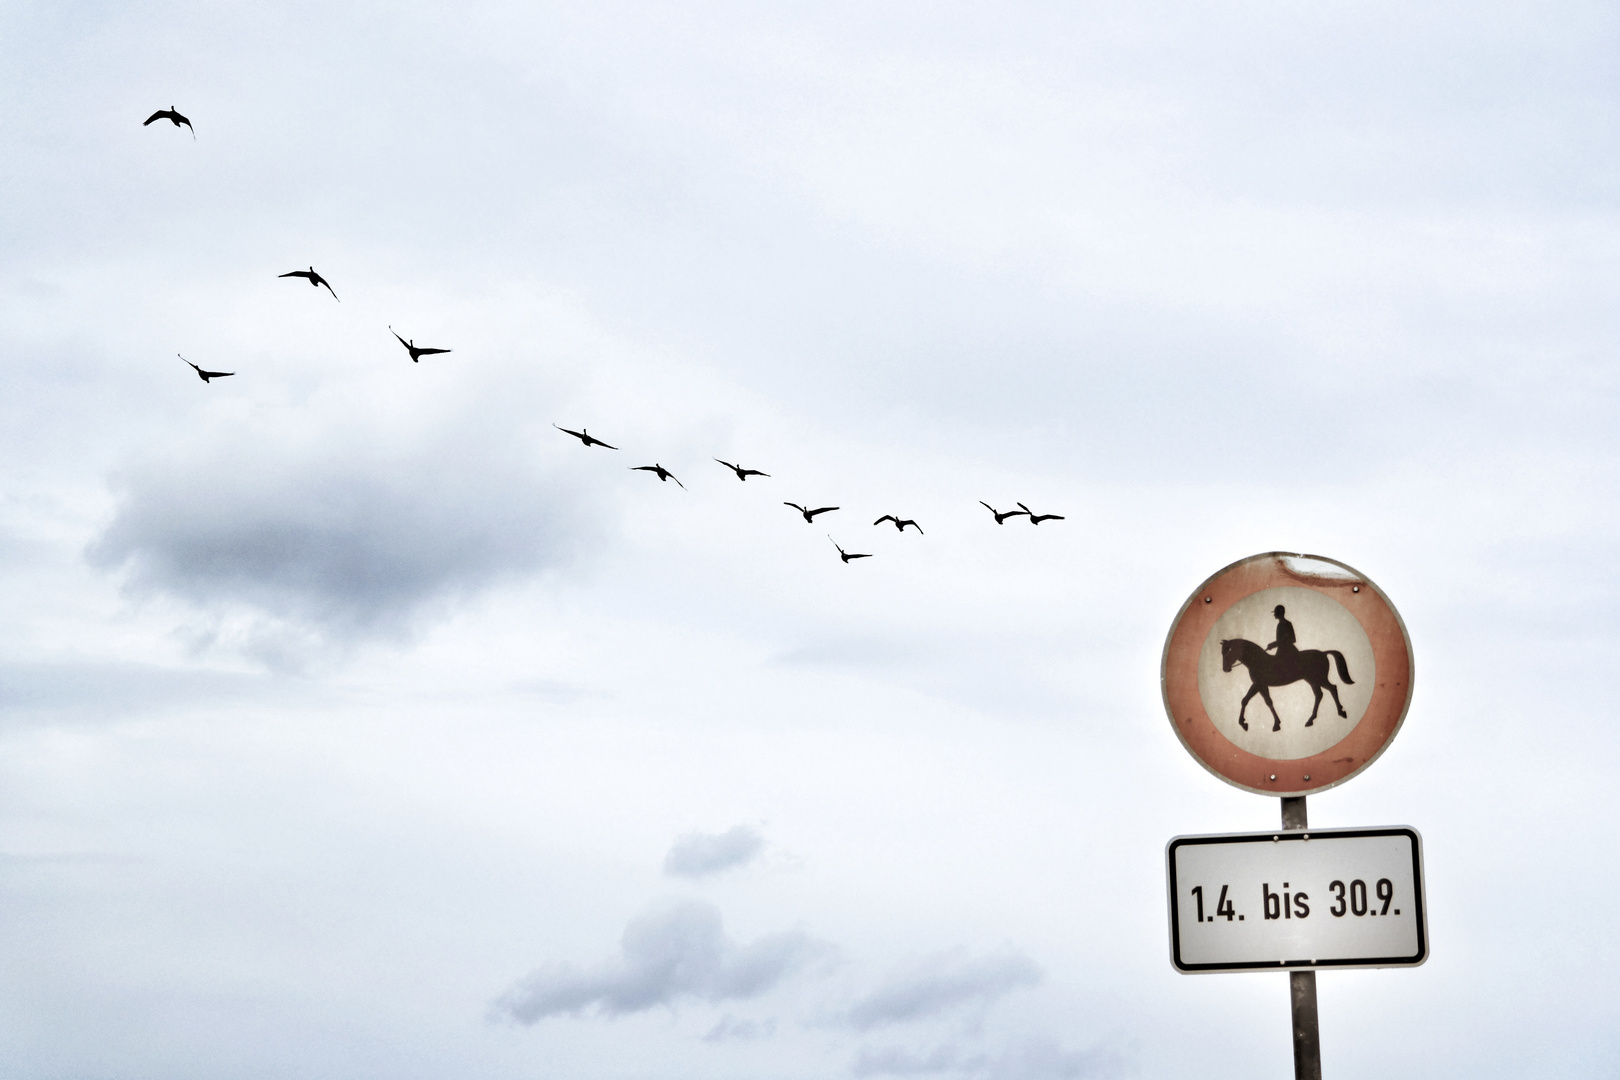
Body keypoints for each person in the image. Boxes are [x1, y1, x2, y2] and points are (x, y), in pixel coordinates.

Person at [1266, 604, 1300, 676]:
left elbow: (1293, 639)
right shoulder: (1279, 625)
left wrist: (1273, 644)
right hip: (1282, 650)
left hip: (1287, 651)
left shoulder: (1287, 624)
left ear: (1279, 613)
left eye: (1275, 612)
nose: (1274, 614)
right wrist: (1274, 644)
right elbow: (1280, 640)